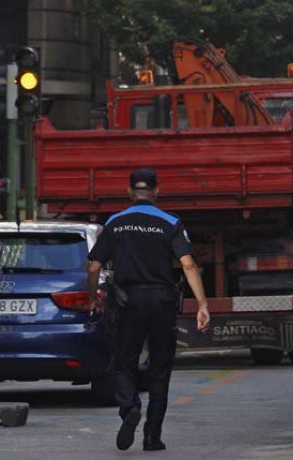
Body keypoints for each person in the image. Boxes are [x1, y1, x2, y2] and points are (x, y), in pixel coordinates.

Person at [86, 167, 211, 451]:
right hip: (162, 302)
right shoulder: (170, 222)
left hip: (127, 302)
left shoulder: (115, 223)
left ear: (130, 192)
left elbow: (93, 265)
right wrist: (202, 304)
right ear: (157, 191)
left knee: (124, 361)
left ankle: (129, 406)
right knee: (160, 368)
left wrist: (93, 296)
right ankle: (152, 436)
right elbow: (188, 264)